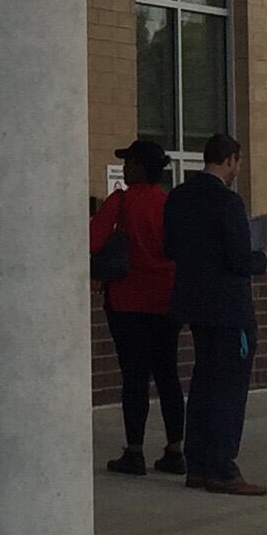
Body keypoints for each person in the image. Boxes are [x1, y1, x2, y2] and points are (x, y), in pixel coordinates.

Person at [162, 131, 267, 497]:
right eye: (237, 162)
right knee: (229, 389)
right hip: (228, 308)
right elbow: (240, 259)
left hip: (193, 303)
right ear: (230, 161)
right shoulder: (228, 203)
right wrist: (264, 257)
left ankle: (198, 464)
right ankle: (223, 467)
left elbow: (170, 248)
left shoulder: (178, 197)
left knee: (204, 383)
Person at [89, 137, 183, 474]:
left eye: (129, 163)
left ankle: (135, 450)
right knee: (168, 374)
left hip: (127, 301)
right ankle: (175, 449)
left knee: (134, 377)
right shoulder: (170, 204)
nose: (125, 169)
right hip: (166, 300)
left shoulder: (121, 201)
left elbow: (93, 239)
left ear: (140, 168)